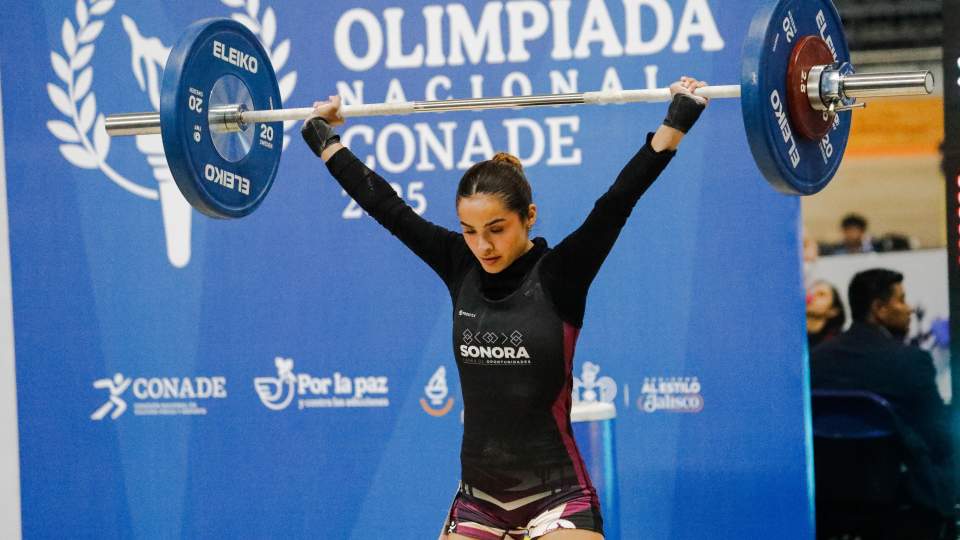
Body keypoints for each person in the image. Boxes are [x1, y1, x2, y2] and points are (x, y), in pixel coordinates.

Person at [301, 77, 709, 539]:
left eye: (495, 228)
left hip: (559, 497)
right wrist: (327, 142)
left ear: (528, 217)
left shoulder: (562, 272)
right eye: (469, 230)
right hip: (479, 502)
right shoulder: (458, 263)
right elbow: (388, 208)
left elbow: (617, 202)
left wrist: (674, 124)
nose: (482, 245)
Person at [811, 269, 954, 521]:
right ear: (879, 308)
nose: (909, 309)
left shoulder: (814, 360)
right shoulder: (910, 361)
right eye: (901, 299)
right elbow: (939, 436)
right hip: (900, 500)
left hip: (827, 499)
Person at [806, 279, 845, 349]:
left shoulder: (837, 344)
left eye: (821, 294)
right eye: (809, 292)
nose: (811, 297)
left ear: (833, 311)